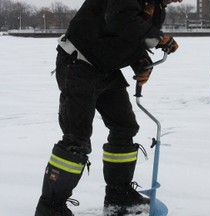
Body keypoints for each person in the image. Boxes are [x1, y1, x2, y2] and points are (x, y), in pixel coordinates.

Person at [35, 0, 181, 215]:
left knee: (125, 127)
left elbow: (131, 40)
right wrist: (159, 38)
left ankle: (118, 195)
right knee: (77, 138)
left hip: (105, 68)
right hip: (78, 64)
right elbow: (120, 20)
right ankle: (50, 207)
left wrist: (141, 63)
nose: (179, 1)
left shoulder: (155, 7)